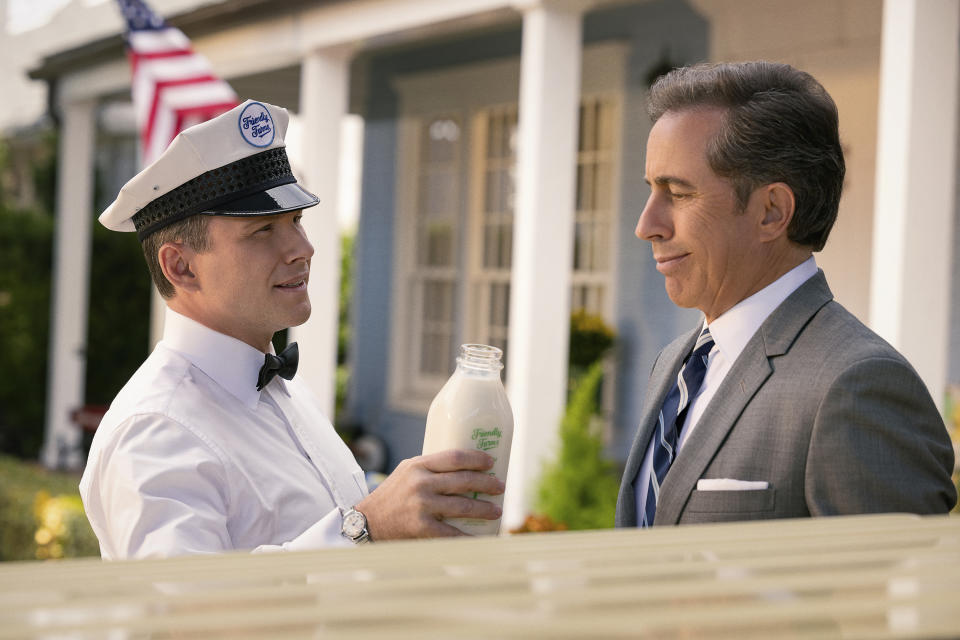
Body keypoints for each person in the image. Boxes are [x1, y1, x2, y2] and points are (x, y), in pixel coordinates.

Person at [81, 100, 503, 559]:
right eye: (262, 231)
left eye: (296, 220)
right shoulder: (155, 430)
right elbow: (187, 619)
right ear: (180, 266)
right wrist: (367, 528)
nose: (303, 248)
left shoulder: (288, 395)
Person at [616, 61, 957, 528]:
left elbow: (887, 596)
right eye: (651, 190)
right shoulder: (674, 365)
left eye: (677, 192)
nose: (646, 225)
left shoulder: (858, 386)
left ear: (772, 211)